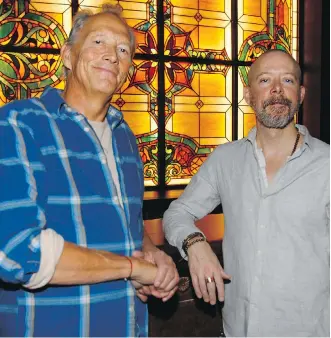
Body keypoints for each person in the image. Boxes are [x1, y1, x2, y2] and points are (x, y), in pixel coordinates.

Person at [0, 4, 179, 337]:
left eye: (122, 49)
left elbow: (129, 226)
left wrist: (154, 257)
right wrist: (132, 268)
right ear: (68, 55)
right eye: (98, 42)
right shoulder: (19, 123)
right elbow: (17, 252)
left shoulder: (125, 137)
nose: (111, 54)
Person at [163, 49, 330, 337]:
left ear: (300, 94)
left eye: (287, 80)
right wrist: (194, 243)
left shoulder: (327, 164)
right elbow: (177, 213)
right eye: (265, 80)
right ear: (248, 94)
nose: (277, 89)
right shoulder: (225, 160)